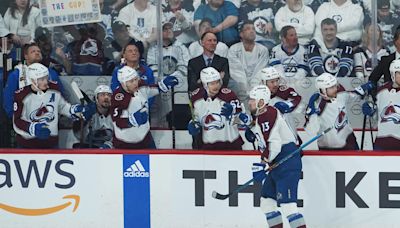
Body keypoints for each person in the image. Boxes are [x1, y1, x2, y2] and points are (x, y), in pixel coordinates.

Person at [244, 84, 306, 228]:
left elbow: (275, 144)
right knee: (267, 203)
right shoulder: (263, 114)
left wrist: (263, 162)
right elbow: (266, 141)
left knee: (288, 207)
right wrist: (251, 128)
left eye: (253, 99)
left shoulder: (268, 114)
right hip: (277, 163)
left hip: (287, 162)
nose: (249, 102)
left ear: (261, 102)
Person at [12, 63, 94, 148]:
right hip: (27, 145)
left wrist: (75, 111)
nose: (46, 81)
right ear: (32, 80)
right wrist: (32, 128)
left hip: (51, 143)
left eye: (46, 78)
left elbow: (62, 106)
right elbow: (17, 122)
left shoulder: (53, 87)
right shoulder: (21, 95)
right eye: (42, 79)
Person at [110, 66, 178, 149]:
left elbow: (151, 90)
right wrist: (132, 121)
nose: (135, 83)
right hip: (124, 143)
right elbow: (117, 121)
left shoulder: (141, 87)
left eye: (135, 79)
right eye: (131, 81)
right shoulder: (118, 97)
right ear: (123, 83)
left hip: (145, 139)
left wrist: (163, 85)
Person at [304, 72, 373, 150]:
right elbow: (310, 131)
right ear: (322, 90)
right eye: (331, 87)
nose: (335, 89)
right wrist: (312, 114)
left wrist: (365, 88)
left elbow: (354, 95)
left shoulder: (340, 94)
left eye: (335, 86)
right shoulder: (316, 103)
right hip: (327, 148)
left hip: (349, 143)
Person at [187, 67, 249, 150]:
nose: (216, 86)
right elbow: (196, 118)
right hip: (208, 145)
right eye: (212, 83)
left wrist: (232, 115)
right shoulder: (196, 97)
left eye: (217, 82)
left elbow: (243, 121)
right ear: (205, 84)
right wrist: (194, 124)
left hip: (231, 144)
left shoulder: (229, 95)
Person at [147, 21, 191, 128]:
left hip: (178, 86)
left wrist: (173, 79)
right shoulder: (153, 49)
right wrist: (163, 81)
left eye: (170, 29)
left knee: (178, 118)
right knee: (158, 118)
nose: (168, 31)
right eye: (164, 29)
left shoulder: (181, 47)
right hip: (160, 87)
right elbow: (152, 67)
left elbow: (185, 66)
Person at [3, 42, 63, 118]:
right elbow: (8, 97)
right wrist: (14, 118)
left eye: (39, 51)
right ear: (26, 56)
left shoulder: (51, 73)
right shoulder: (16, 74)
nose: (37, 53)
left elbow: (60, 93)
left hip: (49, 118)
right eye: (33, 52)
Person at [251, 67, 302, 143]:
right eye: (272, 82)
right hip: (269, 141)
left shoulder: (284, 91)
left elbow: (296, 99)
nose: (275, 84)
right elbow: (255, 119)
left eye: (277, 81)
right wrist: (252, 129)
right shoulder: (258, 97)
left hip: (288, 140)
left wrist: (287, 105)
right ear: (263, 82)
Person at [228, 21, 269, 107]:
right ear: (241, 34)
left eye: (253, 29)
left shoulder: (263, 50)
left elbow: (260, 71)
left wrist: (253, 91)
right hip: (240, 88)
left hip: (257, 88)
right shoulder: (234, 49)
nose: (252, 31)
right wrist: (246, 90)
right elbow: (236, 72)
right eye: (248, 29)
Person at [362, 60, 400, 150]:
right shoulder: (381, 91)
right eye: (399, 73)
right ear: (393, 74)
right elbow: (377, 118)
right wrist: (372, 110)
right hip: (382, 142)